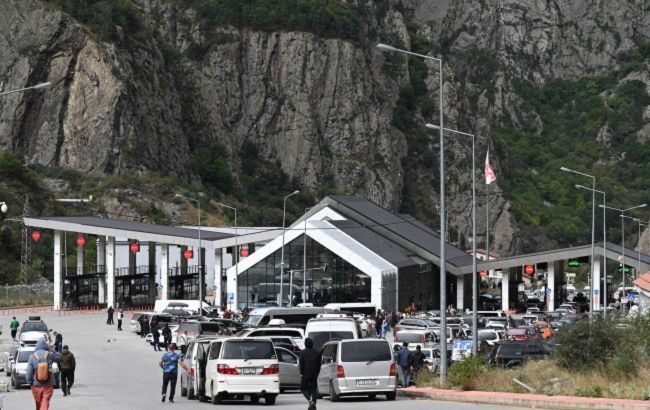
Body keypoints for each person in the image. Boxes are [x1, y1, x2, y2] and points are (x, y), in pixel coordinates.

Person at [26, 338, 60, 410]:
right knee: (45, 402)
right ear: (46, 346)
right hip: (48, 384)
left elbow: (29, 371)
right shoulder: (50, 354)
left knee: (39, 403)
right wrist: (52, 350)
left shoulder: (32, 356)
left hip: (36, 385)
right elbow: (59, 358)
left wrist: (30, 381)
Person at [299, 338, 321, 410]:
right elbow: (319, 365)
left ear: (305, 344)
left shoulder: (303, 352)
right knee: (313, 389)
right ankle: (313, 405)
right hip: (314, 374)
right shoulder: (317, 352)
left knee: (303, 388)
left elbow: (301, 364)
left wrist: (302, 373)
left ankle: (310, 400)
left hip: (306, 374)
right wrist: (317, 373)